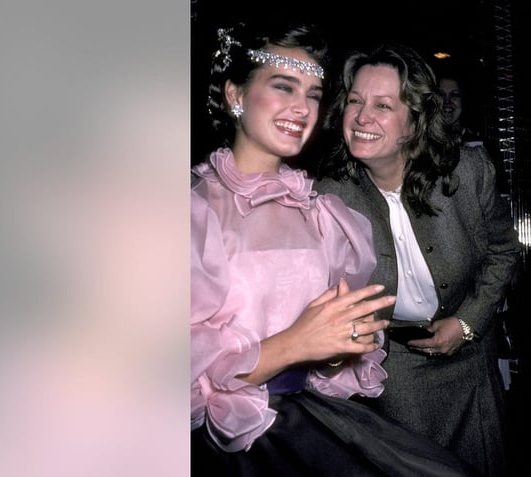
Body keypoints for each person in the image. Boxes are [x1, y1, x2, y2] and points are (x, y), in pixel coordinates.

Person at [190, 21, 479, 476]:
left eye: (313, 93)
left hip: (308, 419)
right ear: (235, 94)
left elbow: (331, 364)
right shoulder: (190, 209)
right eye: (283, 86)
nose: (302, 108)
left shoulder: (323, 213)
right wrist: (294, 344)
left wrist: (341, 348)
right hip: (229, 442)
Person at [313, 43, 523, 476]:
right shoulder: (329, 197)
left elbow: (505, 251)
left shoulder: (467, 173)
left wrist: (468, 323)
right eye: (355, 101)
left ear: (415, 121)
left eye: (383, 105)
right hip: (393, 371)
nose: (362, 117)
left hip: (471, 363)